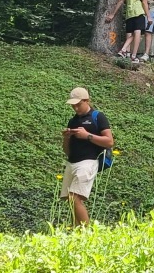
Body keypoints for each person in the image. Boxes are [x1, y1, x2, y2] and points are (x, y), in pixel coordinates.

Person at [61, 87, 114, 226]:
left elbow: (109, 141)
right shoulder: (73, 121)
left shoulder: (98, 117)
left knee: (74, 197)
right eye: (73, 105)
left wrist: (87, 136)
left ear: (87, 101)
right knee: (70, 199)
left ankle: (87, 231)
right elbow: (67, 151)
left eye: (78, 104)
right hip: (72, 162)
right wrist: (66, 138)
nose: (75, 108)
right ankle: (77, 229)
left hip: (88, 162)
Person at [105, 0, 150, 64]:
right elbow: (144, 2)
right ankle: (133, 55)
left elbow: (121, 1)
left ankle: (123, 50)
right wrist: (149, 16)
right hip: (139, 12)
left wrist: (112, 14)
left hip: (129, 13)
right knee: (137, 33)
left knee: (132, 34)